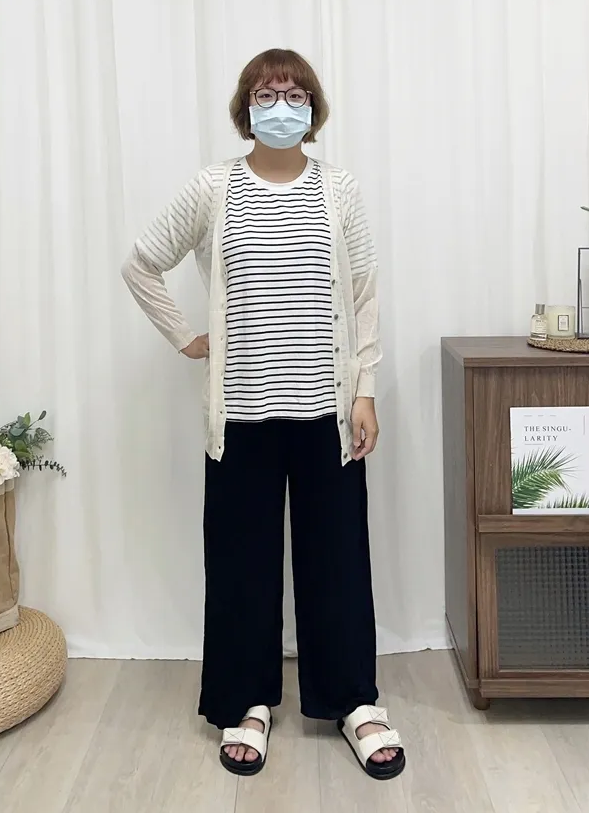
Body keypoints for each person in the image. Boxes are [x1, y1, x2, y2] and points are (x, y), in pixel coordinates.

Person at [121, 48, 404, 781]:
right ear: (245, 107)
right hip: (241, 416)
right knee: (241, 565)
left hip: (325, 414)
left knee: (337, 560)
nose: (282, 105)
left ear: (314, 107)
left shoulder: (339, 190)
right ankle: (246, 702)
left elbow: (364, 295)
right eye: (267, 93)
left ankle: (353, 701)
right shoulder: (213, 188)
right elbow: (141, 263)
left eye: (295, 94)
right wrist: (187, 337)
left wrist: (364, 389)